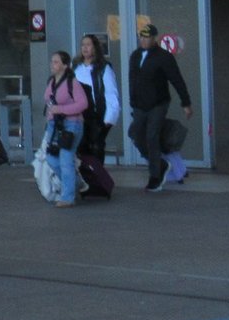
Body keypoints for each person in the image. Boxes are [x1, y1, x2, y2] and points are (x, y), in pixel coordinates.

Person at [128, 24, 194, 192]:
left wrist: (185, 103)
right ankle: (160, 164)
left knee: (152, 136)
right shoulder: (135, 56)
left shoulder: (163, 57)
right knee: (136, 134)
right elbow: (132, 81)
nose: (143, 40)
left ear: (154, 38)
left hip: (158, 103)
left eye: (147, 37)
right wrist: (133, 101)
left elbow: (176, 80)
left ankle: (155, 176)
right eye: (141, 37)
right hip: (140, 105)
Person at [74, 33, 120, 199]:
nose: (85, 48)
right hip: (79, 114)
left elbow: (111, 94)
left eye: (89, 45)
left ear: (95, 48)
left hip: (96, 115)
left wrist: (109, 118)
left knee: (95, 147)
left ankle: (98, 182)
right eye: (83, 45)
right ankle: (85, 181)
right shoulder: (76, 67)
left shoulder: (103, 68)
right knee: (80, 149)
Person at [42, 50, 90, 208]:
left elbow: (83, 104)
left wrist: (61, 109)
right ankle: (76, 183)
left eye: (56, 62)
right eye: (52, 61)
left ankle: (68, 197)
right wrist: (51, 114)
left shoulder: (72, 83)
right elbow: (49, 102)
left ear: (64, 65)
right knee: (51, 158)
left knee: (65, 158)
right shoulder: (51, 82)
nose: (52, 65)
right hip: (55, 125)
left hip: (71, 124)